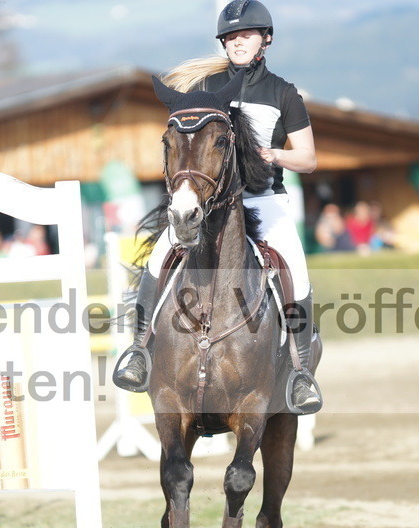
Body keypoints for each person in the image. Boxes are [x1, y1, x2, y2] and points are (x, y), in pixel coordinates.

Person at [113, 0, 322, 414]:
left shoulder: (283, 93)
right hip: (213, 205)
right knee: (159, 256)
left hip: (265, 200)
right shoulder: (207, 91)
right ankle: (138, 350)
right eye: (230, 36)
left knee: (295, 268)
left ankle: (300, 372)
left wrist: (272, 155)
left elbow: (309, 158)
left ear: (266, 39)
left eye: (245, 34)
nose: (237, 42)